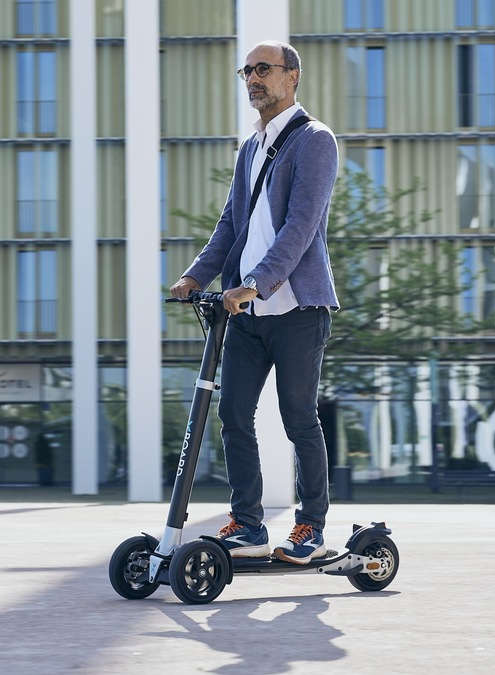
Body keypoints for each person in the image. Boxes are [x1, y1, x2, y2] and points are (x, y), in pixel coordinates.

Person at [170, 40, 339, 565]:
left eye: (263, 69)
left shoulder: (314, 140)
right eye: (247, 72)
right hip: (243, 312)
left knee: (298, 418)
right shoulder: (251, 148)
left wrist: (257, 282)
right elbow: (231, 227)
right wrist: (196, 276)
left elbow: (300, 226)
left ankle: (310, 526)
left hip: (295, 308)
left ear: (293, 76)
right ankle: (248, 524)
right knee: (233, 414)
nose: (253, 79)